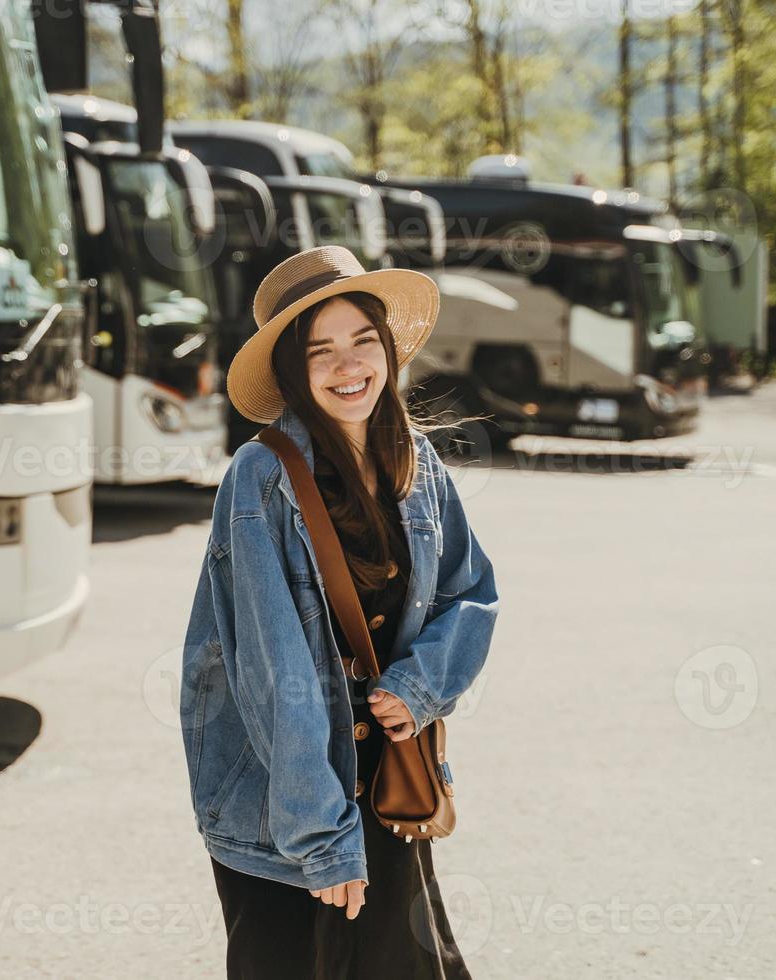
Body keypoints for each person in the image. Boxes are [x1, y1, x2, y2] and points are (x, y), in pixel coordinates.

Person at [179, 245, 500, 978]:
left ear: (387, 348)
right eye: (320, 351)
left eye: (362, 341)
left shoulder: (416, 461)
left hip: (386, 782)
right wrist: (320, 839)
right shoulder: (260, 478)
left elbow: (472, 592)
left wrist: (418, 686)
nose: (348, 366)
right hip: (286, 803)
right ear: (293, 371)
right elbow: (272, 674)